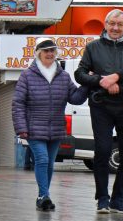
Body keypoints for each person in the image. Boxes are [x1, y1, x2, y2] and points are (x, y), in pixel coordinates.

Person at [75, 10, 123, 214]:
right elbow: (80, 74)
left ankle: (118, 199)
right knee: (103, 150)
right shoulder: (93, 47)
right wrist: (102, 81)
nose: (115, 28)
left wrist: (118, 77)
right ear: (105, 25)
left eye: (120, 24)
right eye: (112, 24)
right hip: (101, 105)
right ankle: (102, 199)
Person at [12, 38, 89, 211]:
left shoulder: (63, 76)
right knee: (42, 159)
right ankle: (43, 196)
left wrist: (87, 84)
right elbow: (18, 103)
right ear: (38, 53)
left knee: (50, 163)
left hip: (55, 128)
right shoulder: (27, 75)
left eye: (52, 51)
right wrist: (21, 128)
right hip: (34, 128)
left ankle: (43, 195)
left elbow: (75, 98)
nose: (49, 53)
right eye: (46, 51)